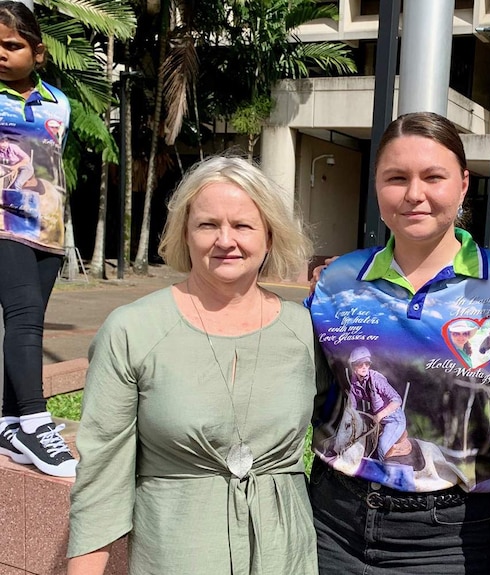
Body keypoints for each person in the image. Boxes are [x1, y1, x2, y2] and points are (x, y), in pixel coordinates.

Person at [67, 156, 318, 575]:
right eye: (207, 225)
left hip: (285, 555)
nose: (225, 240)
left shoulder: (305, 332)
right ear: (185, 233)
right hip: (175, 554)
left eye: (242, 225)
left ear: (270, 236)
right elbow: (100, 482)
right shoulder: (134, 330)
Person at [308, 111, 490, 574]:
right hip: (332, 520)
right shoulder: (340, 280)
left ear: (464, 184)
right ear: (377, 186)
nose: (414, 194)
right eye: (396, 177)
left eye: (433, 176)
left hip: (450, 534)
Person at [0, 1, 76, 478]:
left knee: (27, 323)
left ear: (39, 52)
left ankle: (8, 421)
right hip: (2, 224)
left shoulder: (59, 103)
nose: (3, 54)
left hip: (47, 229)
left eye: (12, 45)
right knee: (24, 317)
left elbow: (52, 161)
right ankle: (34, 420)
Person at [345, 345, 410, 459]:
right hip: (374, 415)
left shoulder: (376, 379)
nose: (364, 367)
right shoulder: (354, 382)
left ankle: (381, 472)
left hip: (393, 419)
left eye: (367, 364)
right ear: (354, 367)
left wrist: (379, 415)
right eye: (361, 364)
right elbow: (352, 406)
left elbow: (397, 400)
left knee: (381, 447)